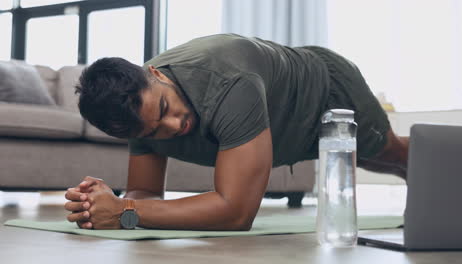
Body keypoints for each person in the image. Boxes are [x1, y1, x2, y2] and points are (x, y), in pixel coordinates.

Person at [64, 34, 409, 230]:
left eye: (166, 109)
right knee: (375, 161)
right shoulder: (137, 114)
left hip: (323, 87)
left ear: (155, 73)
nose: (174, 127)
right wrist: (104, 205)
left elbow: (236, 213)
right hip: (277, 122)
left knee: (388, 155)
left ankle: (450, 166)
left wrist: (125, 211)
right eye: (154, 132)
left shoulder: (229, 83)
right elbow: (144, 193)